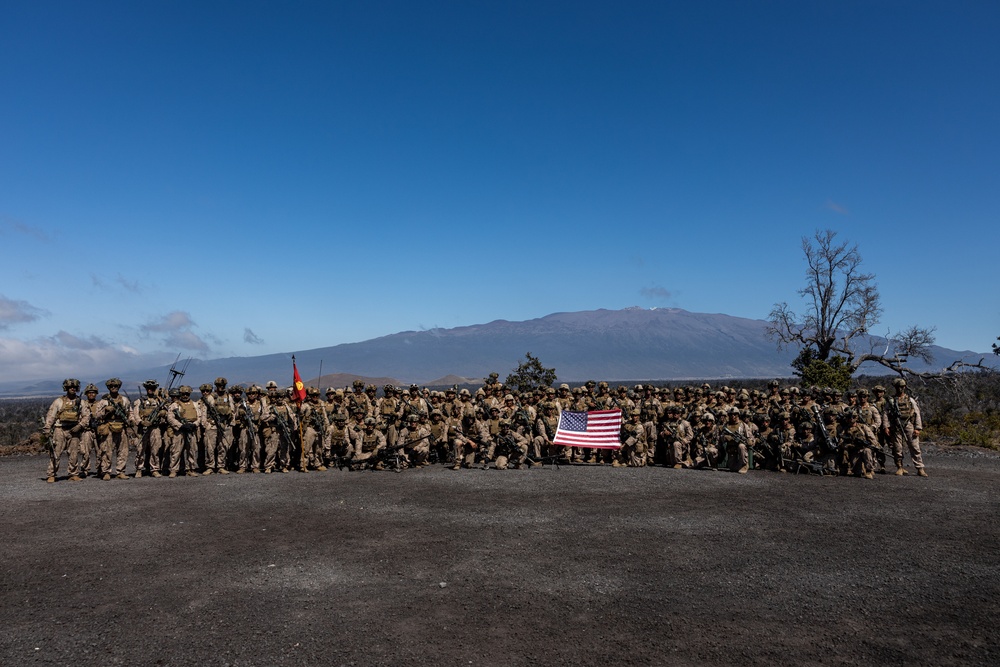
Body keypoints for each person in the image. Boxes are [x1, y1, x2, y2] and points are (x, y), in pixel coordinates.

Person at [882, 378, 927, 477]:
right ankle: (899, 467)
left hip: (908, 425)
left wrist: (918, 428)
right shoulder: (891, 401)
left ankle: (920, 468)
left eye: (902, 387)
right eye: (898, 387)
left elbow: (917, 413)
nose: (900, 389)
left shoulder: (910, 400)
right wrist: (886, 427)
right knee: (897, 448)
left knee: (915, 447)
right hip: (895, 426)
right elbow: (885, 414)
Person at [43, 379, 84, 482]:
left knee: (74, 453)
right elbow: (51, 416)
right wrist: (47, 429)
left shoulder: (81, 402)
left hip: (74, 430)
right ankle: (51, 474)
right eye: (70, 387)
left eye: (74, 387)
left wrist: (80, 425)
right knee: (56, 452)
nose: (72, 389)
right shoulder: (58, 401)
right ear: (66, 388)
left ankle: (73, 474)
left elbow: (86, 416)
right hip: (59, 429)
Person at [94, 378, 133, 480]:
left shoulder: (124, 400)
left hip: (121, 426)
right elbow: (97, 415)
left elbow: (130, 413)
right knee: (107, 450)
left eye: (115, 386)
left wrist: (131, 421)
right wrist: (105, 410)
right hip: (108, 426)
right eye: (111, 386)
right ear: (108, 388)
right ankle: (106, 471)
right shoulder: (104, 401)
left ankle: (121, 471)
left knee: (123, 451)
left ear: (119, 387)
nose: (113, 388)